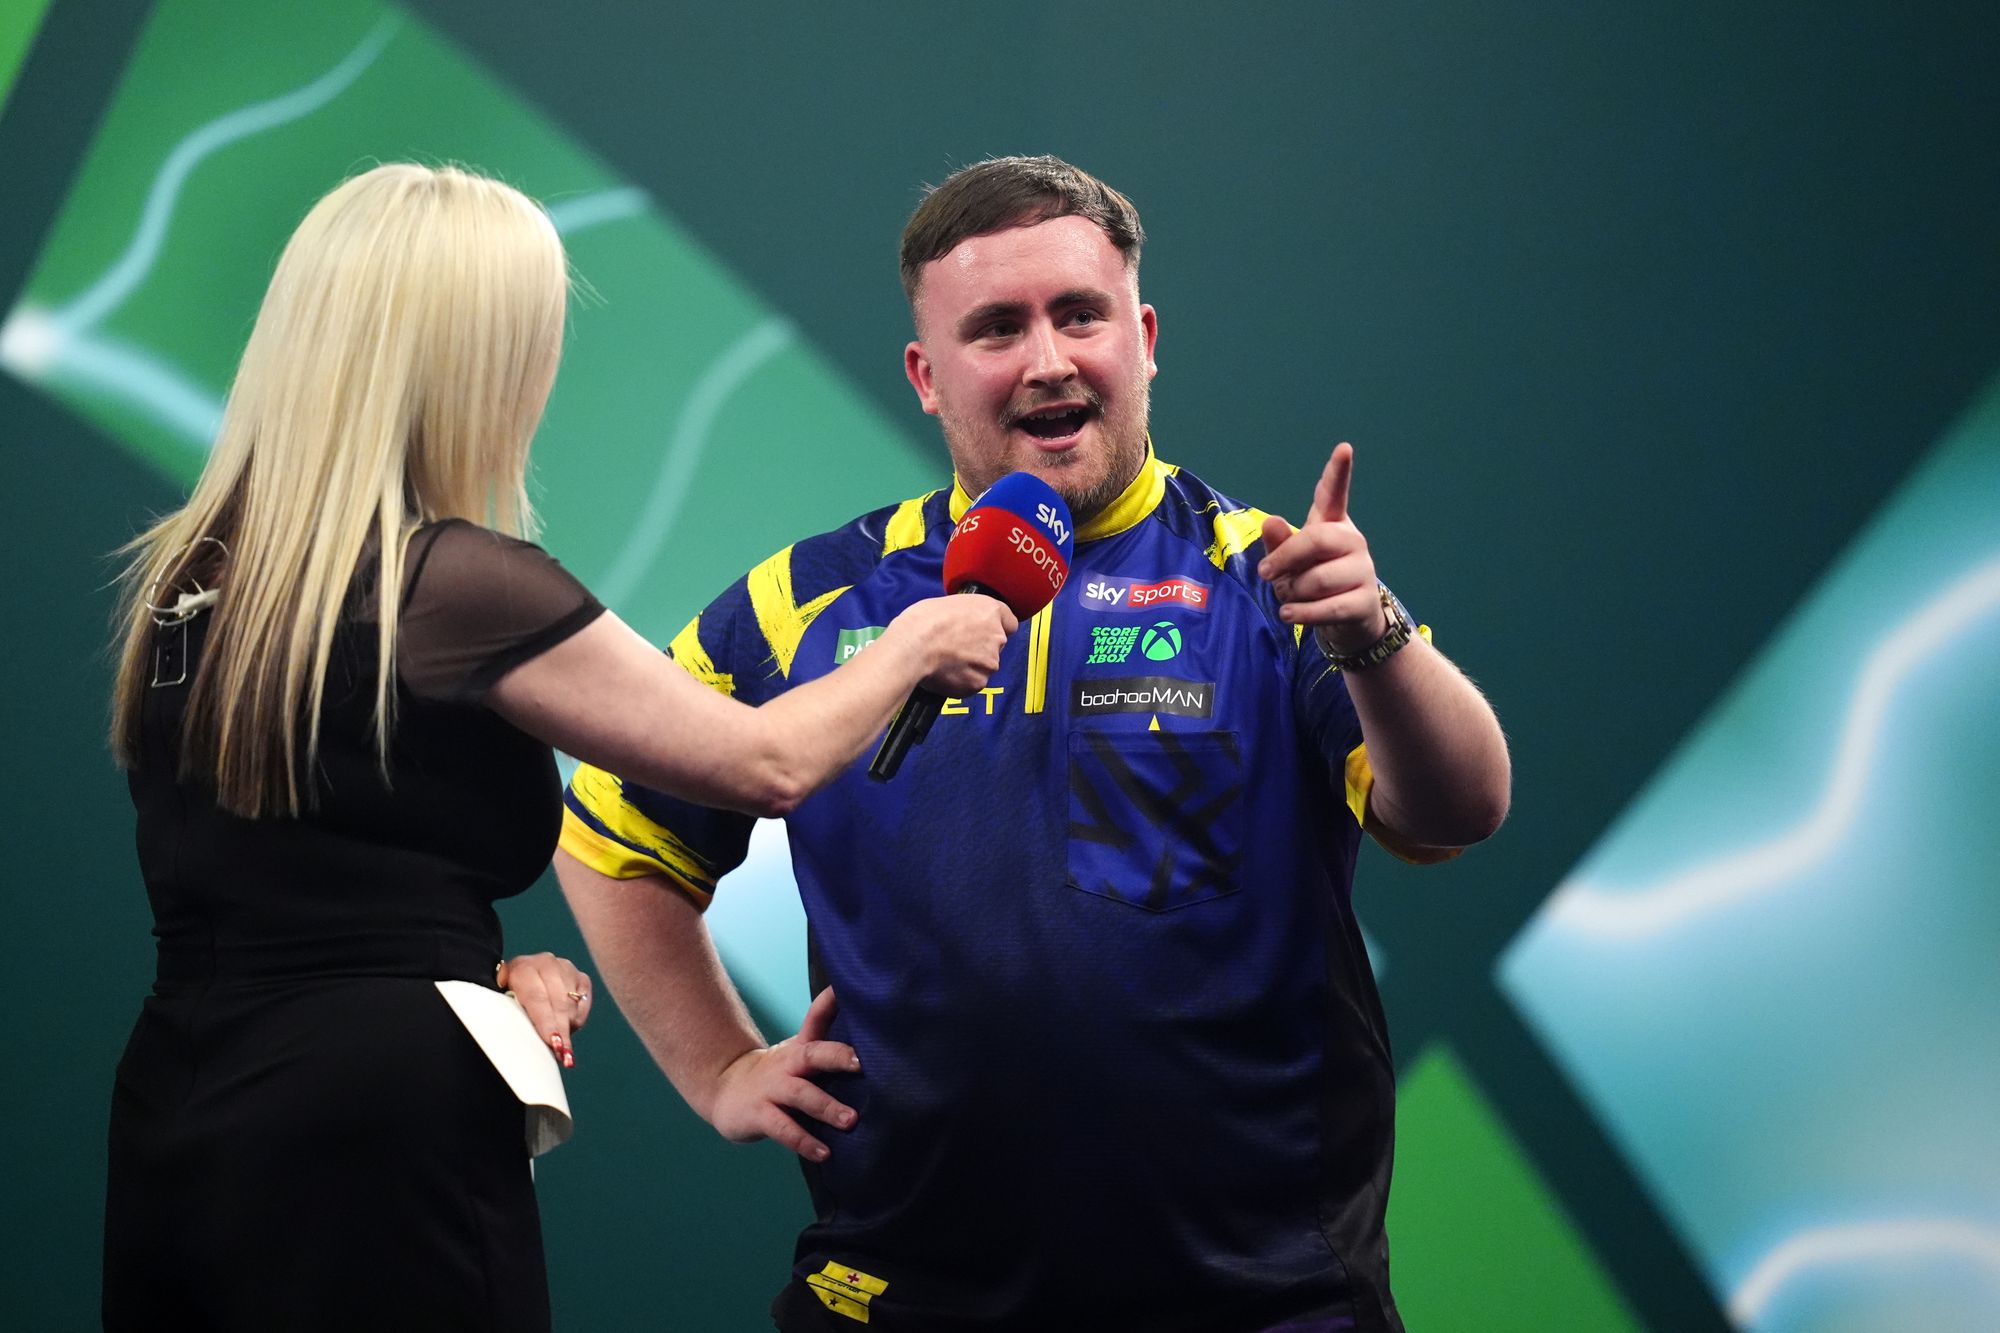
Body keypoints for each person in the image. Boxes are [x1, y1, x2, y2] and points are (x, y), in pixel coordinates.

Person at [555, 155, 1511, 1332]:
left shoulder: (1269, 573)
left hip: (1261, 1298)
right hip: (899, 1293)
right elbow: (607, 829)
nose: (1048, 360)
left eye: (1079, 315)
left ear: (1143, 337)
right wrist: (716, 1066)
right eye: (996, 328)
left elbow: (1458, 809)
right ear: (925, 374)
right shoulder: (804, 602)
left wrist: (1377, 634)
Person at [102, 163, 1013, 1333]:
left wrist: (463, 971)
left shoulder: (195, 581)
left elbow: (295, 895)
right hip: (376, 1141)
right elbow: (764, 762)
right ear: (467, 361)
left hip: (184, 1112)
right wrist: (912, 645)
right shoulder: (456, 586)